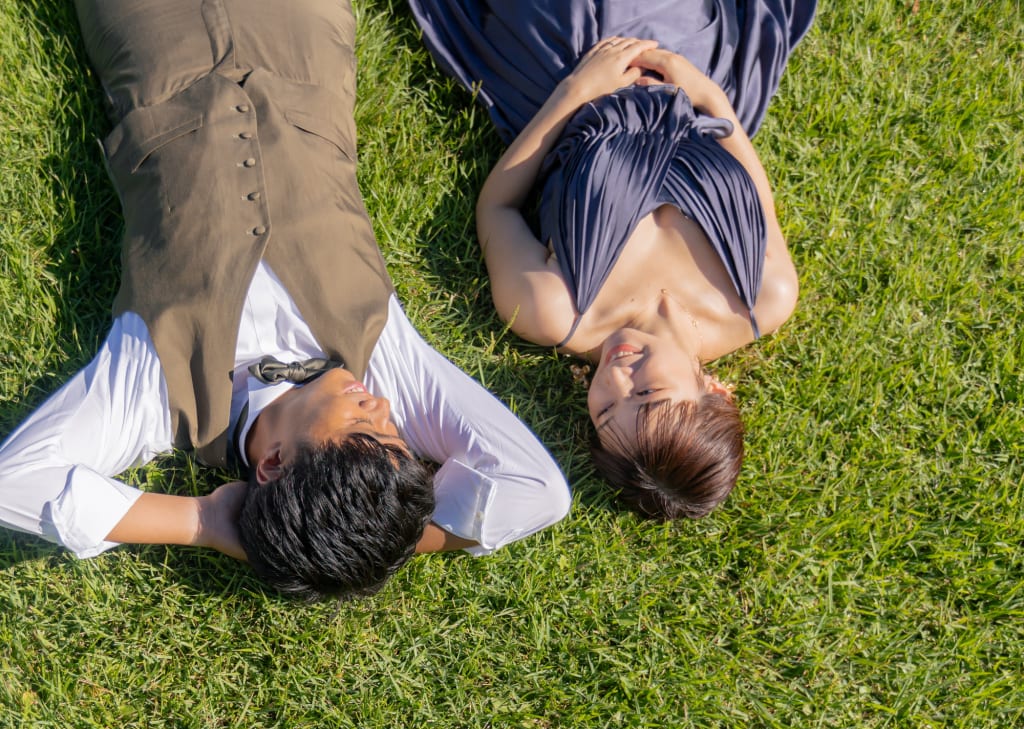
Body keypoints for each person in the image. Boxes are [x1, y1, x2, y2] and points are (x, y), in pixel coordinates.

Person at [0, 0, 570, 601]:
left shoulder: (157, 390)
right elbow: (537, 489)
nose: (380, 410)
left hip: (158, 40)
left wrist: (205, 521)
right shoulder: (388, 364)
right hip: (301, 39)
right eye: (397, 433)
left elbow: (14, 481)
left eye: (363, 431)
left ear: (271, 464)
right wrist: (378, 536)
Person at [408, 1, 816, 518]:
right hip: (689, 72)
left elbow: (498, 205)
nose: (618, 379)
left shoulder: (554, 311)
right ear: (715, 389)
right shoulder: (765, 298)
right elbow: (758, 196)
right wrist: (709, 94)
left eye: (604, 410)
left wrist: (578, 89)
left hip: (567, 71)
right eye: (648, 391)